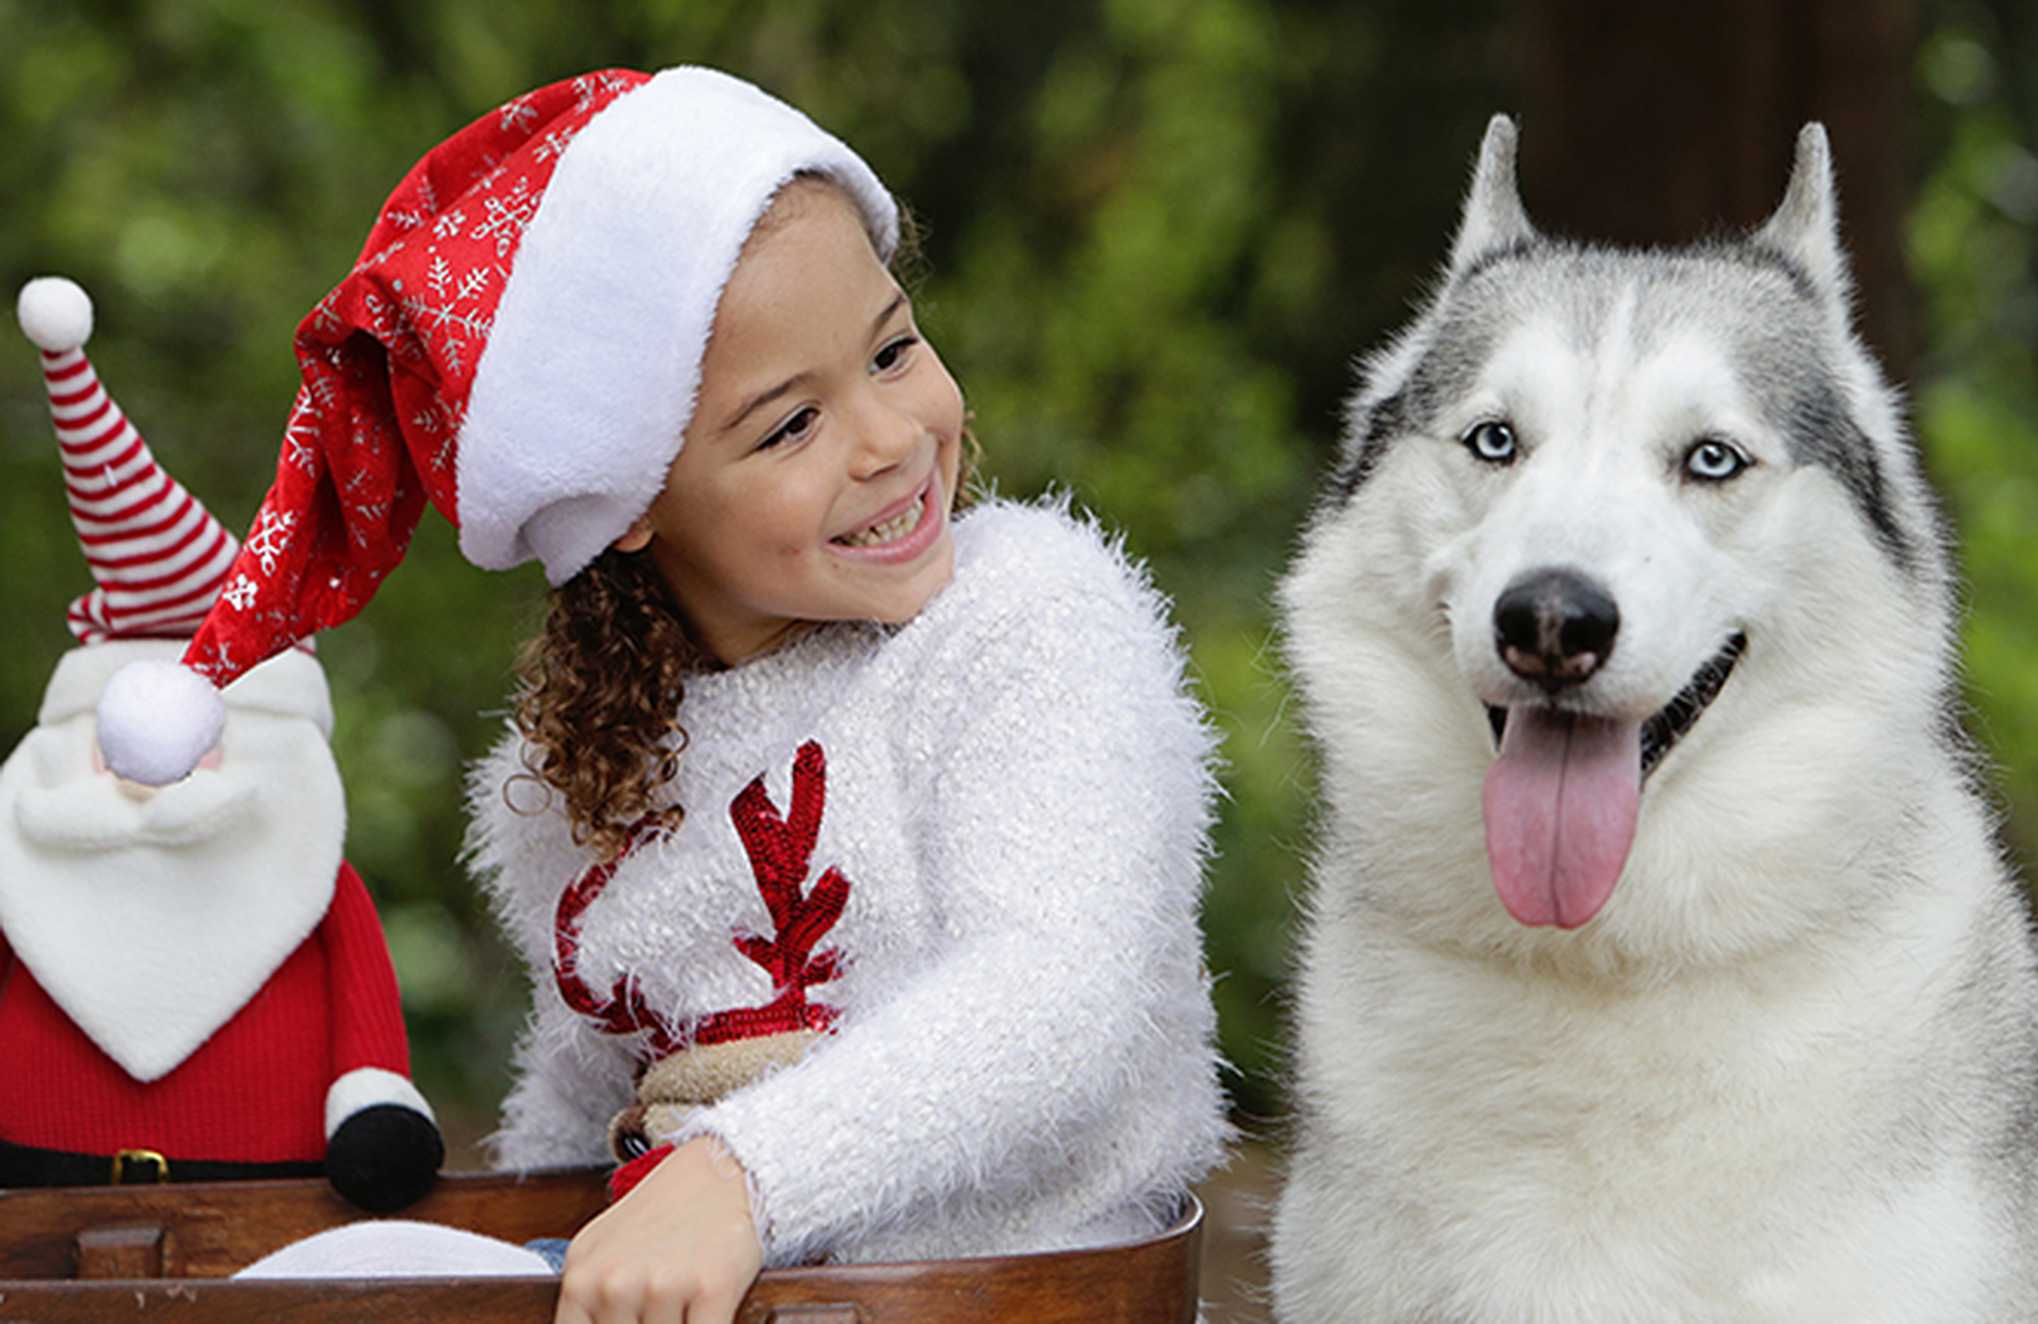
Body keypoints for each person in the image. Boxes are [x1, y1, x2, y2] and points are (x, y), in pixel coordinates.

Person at [93, 66, 1229, 1322]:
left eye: (893, 348)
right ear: (630, 499)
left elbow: (1057, 1002)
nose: (889, 437)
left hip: (1005, 1288)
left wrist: (741, 1177)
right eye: (789, 425)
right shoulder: (581, 780)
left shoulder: (1027, 622)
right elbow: (583, 1115)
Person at [1, 278, 442, 1213]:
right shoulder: (20, 869)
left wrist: (371, 1108)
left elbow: (361, 1015)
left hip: (267, 1204)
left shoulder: (311, 874)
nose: (149, 775)